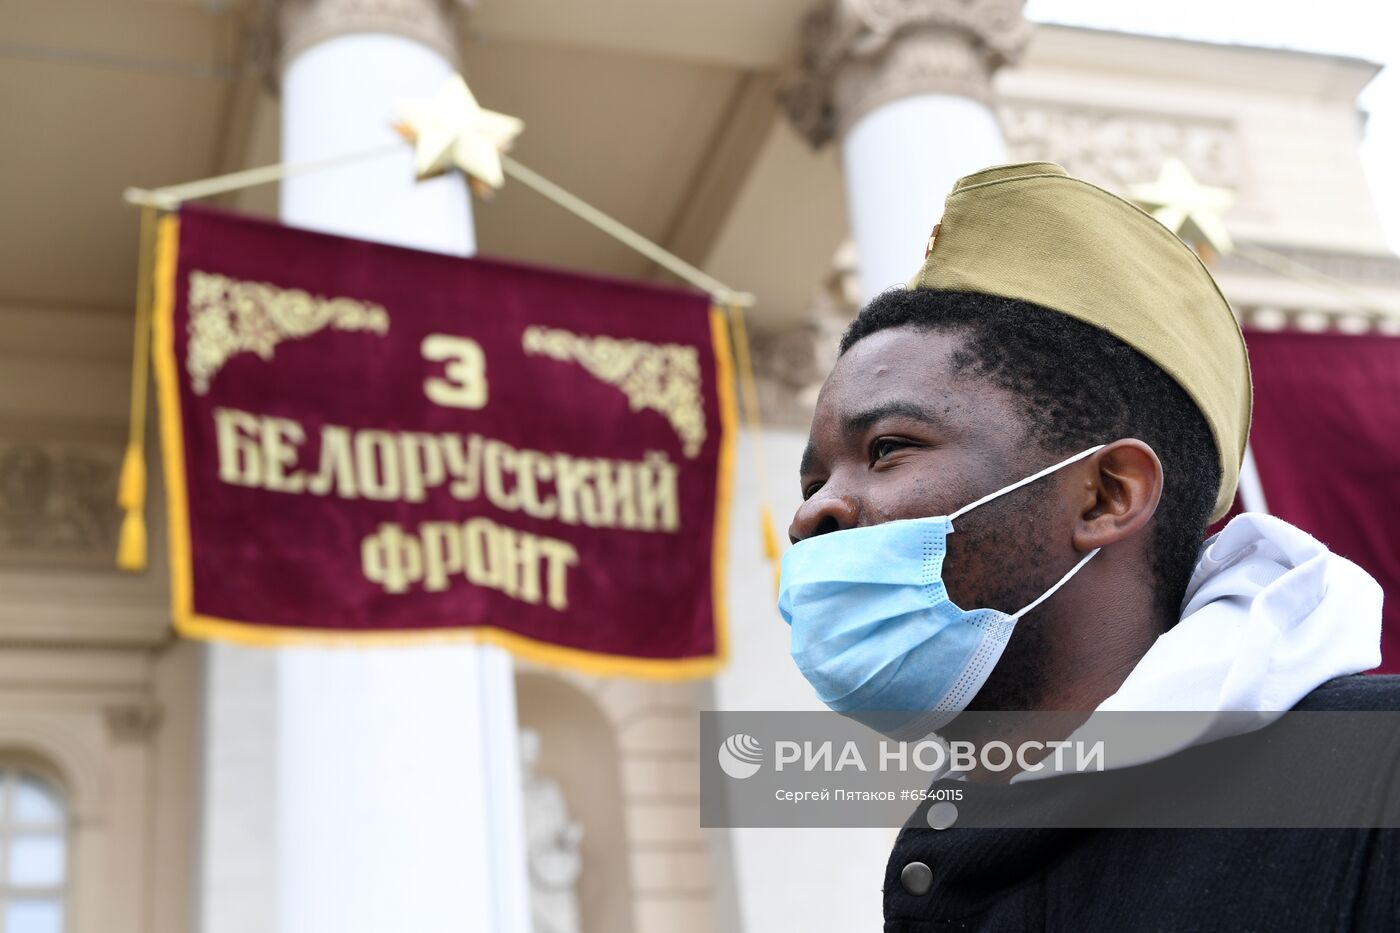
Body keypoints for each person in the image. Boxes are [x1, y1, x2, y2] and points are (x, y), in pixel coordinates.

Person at [777, 162, 1399, 930]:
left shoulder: (1375, 783)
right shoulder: (944, 864)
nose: (812, 513)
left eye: (887, 448)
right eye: (813, 482)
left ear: (1106, 494)